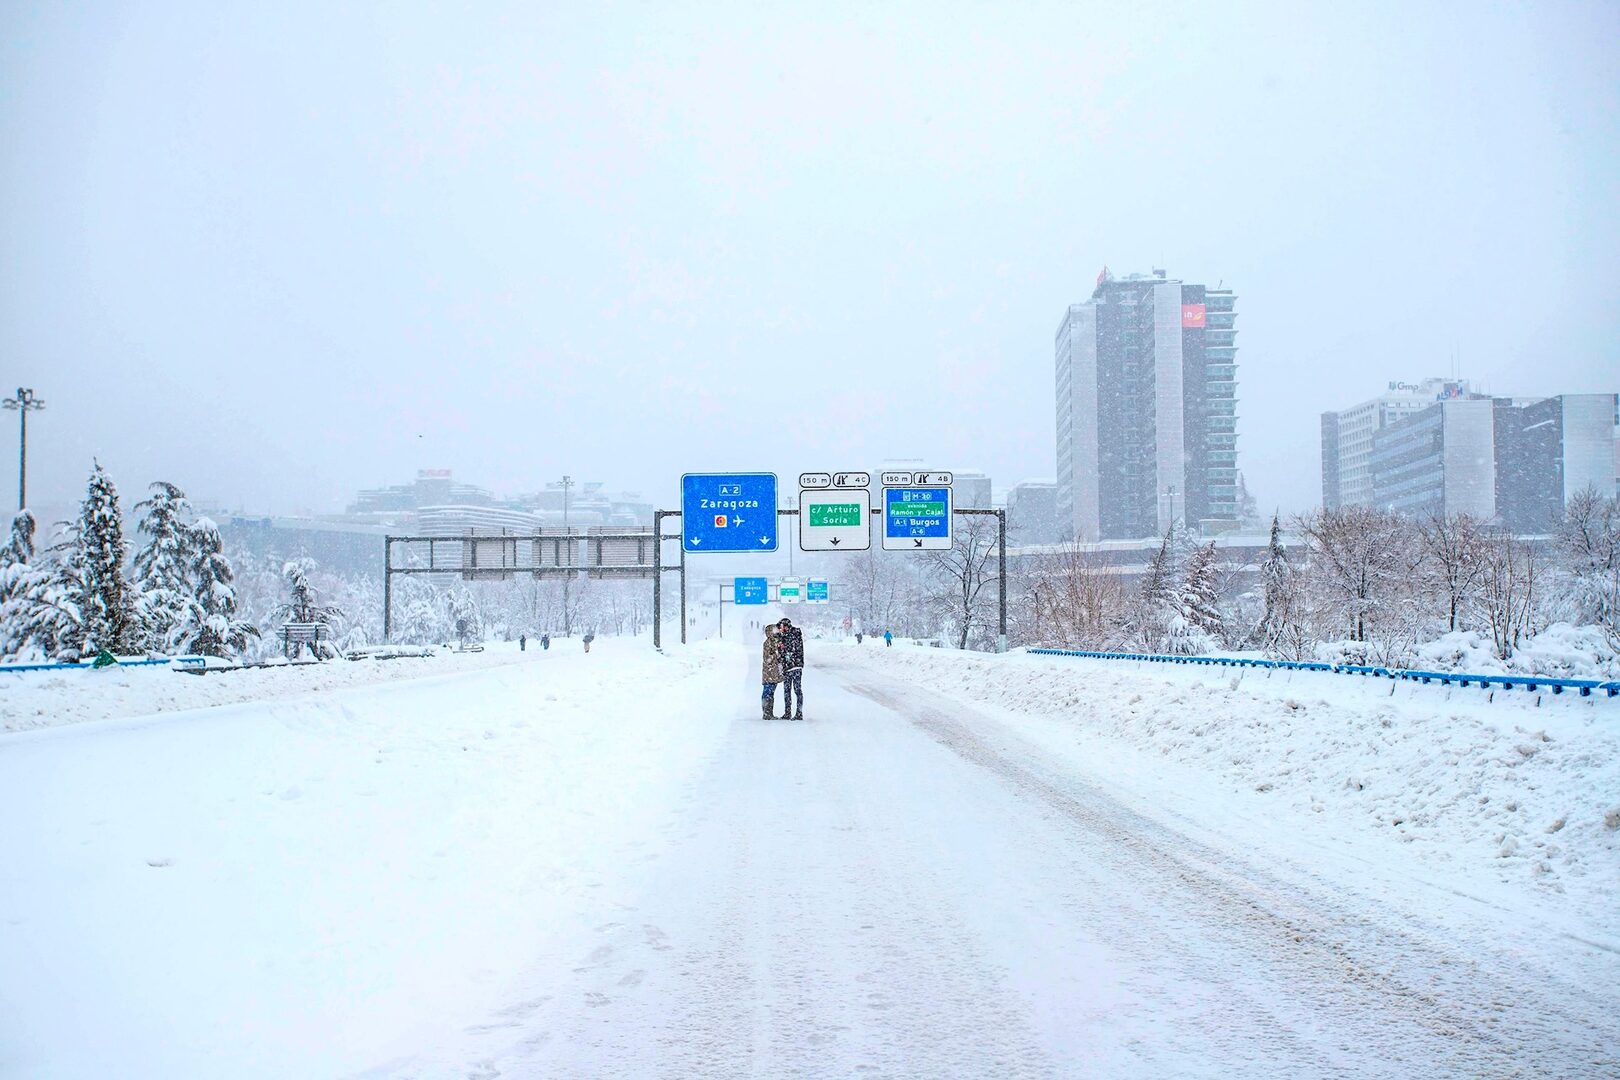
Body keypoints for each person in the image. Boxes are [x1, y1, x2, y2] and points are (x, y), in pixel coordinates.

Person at [777, 617, 804, 720]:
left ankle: (798, 713)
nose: (780, 629)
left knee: (796, 690)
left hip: (794, 666)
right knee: (787, 691)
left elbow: (793, 650)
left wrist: (783, 647)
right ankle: (788, 712)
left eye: (781, 627)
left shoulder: (794, 634)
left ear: (785, 626)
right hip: (788, 667)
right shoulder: (786, 636)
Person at [760, 624, 783, 719]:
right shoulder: (767, 643)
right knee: (767, 692)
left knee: (771, 693)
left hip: (774, 673)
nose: (776, 631)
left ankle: (770, 713)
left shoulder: (775, 642)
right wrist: (777, 654)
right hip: (769, 672)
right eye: (774, 630)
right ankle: (766, 713)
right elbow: (767, 658)